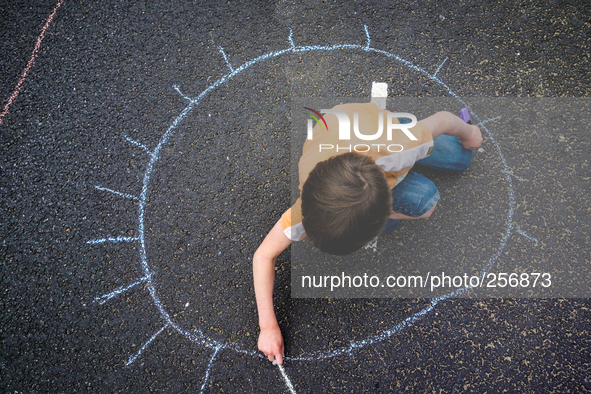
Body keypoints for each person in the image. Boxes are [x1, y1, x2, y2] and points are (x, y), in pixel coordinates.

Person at [253, 102, 483, 365]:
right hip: (334, 131)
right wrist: (267, 326)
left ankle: (412, 129)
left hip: (381, 131)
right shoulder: (311, 205)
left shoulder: (399, 149)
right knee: (422, 197)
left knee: (450, 172)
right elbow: (263, 256)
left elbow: (443, 118)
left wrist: (469, 133)